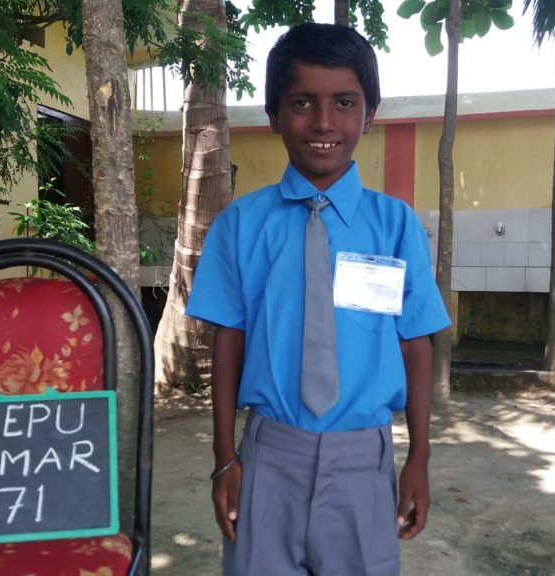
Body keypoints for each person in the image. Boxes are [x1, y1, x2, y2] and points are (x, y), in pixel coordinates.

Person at [185, 22, 451, 576]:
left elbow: (415, 344)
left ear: (369, 115)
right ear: (274, 115)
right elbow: (228, 341)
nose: (324, 122)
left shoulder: (395, 225)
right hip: (268, 458)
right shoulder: (241, 224)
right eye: (302, 102)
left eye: (345, 102)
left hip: (363, 461)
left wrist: (418, 458)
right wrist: (223, 457)